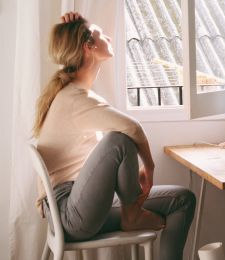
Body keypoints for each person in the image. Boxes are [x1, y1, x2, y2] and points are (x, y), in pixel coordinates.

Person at [33, 12, 196, 260]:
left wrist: (78, 26)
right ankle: (132, 214)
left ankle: (134, 215)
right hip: (71, 214)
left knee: (182, 199)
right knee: (118, 139)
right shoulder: (75, 98)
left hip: (76, 206)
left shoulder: (74, 94)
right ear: (88, 47)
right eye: (100, 34)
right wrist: (149, 166)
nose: (108, 37)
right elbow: (132, 128)